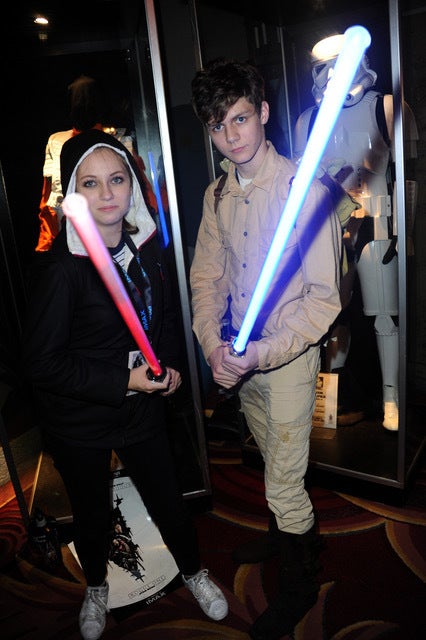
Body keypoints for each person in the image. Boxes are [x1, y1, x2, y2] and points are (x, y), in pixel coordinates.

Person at [22, 128, 228, 640]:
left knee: (169, 501)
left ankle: (194, 572)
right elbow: (42, 364)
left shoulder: (149, 252)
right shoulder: (62, 273)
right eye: (90, 184)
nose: (108, 193)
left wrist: (172, 365)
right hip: (81, 420)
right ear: (73, 194)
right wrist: (124, 379)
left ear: (133, 185)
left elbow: (165, 322)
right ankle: (96, 587)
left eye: (117, 179)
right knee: (91, 514)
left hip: (140, 412)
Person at [190, 59, 342, 640]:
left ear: (264, 113)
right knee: (266, 457)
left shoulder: (306, 186)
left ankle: (303, 581)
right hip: (239, 357)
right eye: (216, 124)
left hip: (287, 359)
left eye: (240, 119)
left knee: (284, 480)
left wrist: (262, 353)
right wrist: (213, 347)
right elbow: (207, 279)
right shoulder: (217, 193)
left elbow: (324, 300)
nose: (230, 136)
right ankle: (283, 535)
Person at [293, 33, 418, 430]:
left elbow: (408, 178)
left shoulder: (387, 107)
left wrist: (403, 230)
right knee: (330, 317)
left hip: (379, 225)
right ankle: (331, 397)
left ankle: (390, 400)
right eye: (324, 68)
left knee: (384, 317)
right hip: (329, 231)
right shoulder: (308, 120)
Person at [35, 74, 158, 252]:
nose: (83, 103)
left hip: (121, 236)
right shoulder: (57, 141)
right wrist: (48, 244)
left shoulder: (118, 140)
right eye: (90, 182)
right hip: (75, 238)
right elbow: (49, 200)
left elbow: (142, 192)